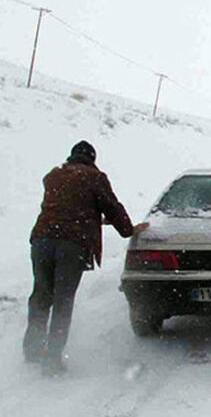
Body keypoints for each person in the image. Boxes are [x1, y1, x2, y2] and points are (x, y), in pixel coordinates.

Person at [24, 140, 148, 375]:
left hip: (41, 240)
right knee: (63, 300)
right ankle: (52, 359)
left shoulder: (53, 176)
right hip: (71, 244)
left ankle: (32, 348)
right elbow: (112, 207)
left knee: (41, 294)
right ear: (92, 159)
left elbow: (65, 206)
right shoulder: (94, 177)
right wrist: (128, 230)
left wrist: (90, 216)